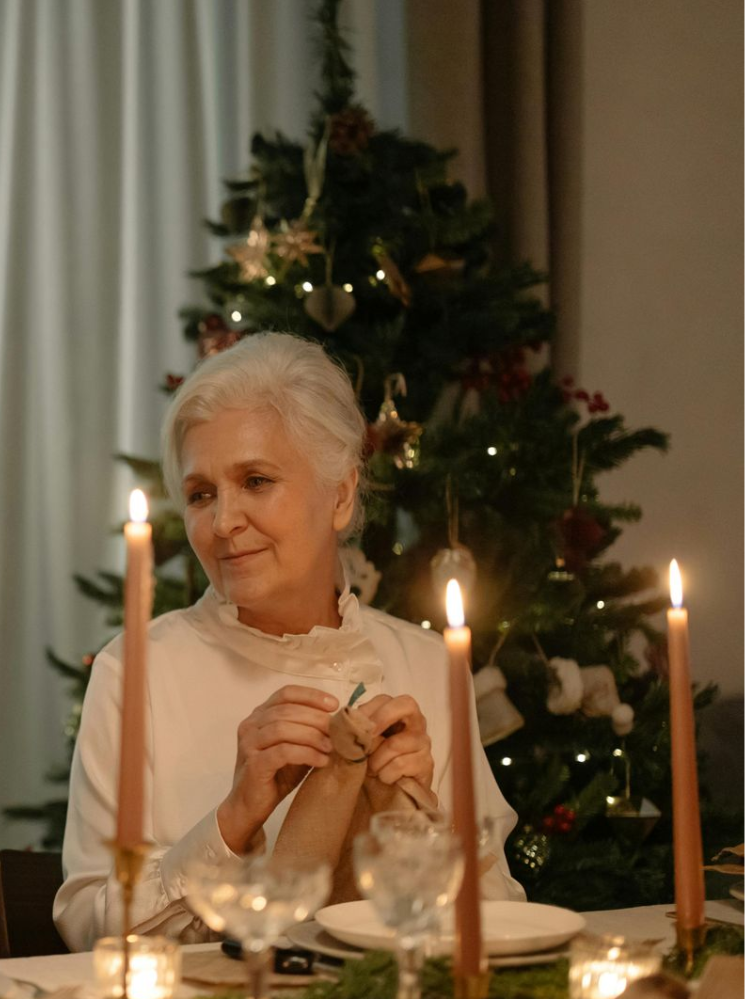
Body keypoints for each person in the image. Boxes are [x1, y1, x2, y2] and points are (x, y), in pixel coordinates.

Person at [55, 333, 523, 949]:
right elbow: (87, 929)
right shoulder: (136, 671)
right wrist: (232, 821)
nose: (223, 524)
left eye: (256, 480)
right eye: (201, 495)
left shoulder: (430, 667)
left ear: (341, 494)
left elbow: (498, 925)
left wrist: (422, 822)